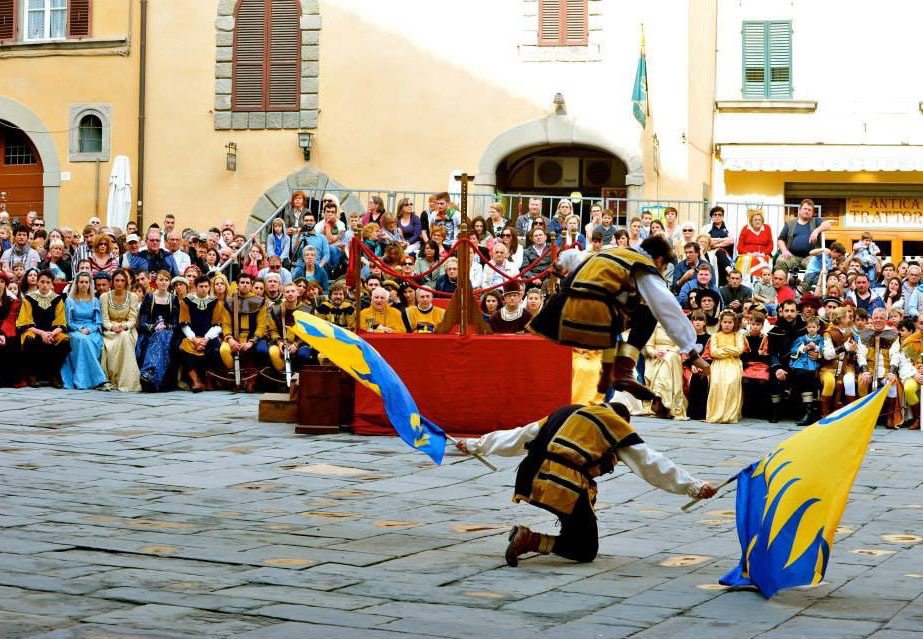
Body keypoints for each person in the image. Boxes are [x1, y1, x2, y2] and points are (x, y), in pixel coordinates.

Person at [456, 401, 715, 566]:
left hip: (529, 477)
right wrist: (693, 486)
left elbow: (518, 436)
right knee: (585, 549)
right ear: (622, 420)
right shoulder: (615, 425)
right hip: (562, 484)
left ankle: (535, 539)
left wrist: (474, 444)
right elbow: (649, 462)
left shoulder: (567, 411)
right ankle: (528, 539)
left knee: (576, 534)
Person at [530, 235, 710, 401]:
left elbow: (572, 256)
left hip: (558, 316)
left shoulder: (609, 252)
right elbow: (668, 309)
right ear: (659, 260)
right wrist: (693, 354)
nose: (661, 271)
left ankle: (613, 371)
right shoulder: (644, 268)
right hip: (594, 319)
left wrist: (560, 262)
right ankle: (624, 368)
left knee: (622, 299)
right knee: (648, 310)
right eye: (663, 268)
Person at [16, 270, 70, 388]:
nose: (45, 285)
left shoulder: (57, 299)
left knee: (65, 341)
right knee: (29, 339)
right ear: (38, 283)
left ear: (52, 284)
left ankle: (54, 374)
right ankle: (32, 375)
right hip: (34, 330)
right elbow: (25, 322)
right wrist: (41, 333)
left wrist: (52, 333)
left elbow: (61, 322)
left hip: (52, 331)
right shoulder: (29, 298)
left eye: (48, 282)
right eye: (42, 282)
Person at [217, 272, 266, 391]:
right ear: (237, 285)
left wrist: (251, 342)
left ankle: (252, 378)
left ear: (251, 285)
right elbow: (226, 324)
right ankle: (235, 376)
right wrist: (230, 339)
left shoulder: (260, 301)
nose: (245, 285)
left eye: (247, 283)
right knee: (224, 350)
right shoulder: (229, 302)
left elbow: (261, 326)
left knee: (261, 350)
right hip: (233, 338)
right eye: (242, 282)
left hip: (252, 338)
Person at [178, 274, 228, 392]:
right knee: (184, 350)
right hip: (192, 337)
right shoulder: (186, 301)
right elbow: (184, 324)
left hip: (209, 337)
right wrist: (194, 339)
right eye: (201, 286)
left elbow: (218, 324)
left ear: (209, 287)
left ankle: (209, 379)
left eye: (206, 286)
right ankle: (195, 380)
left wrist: (206, 339)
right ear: (195, 287)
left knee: (215, 349)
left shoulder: (216, 302)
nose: (204, 289)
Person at [136, 270, 180, 392]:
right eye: (161, 279)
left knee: (163, 335)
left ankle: (150, 374)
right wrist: (154, 327)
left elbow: (176, 324)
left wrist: (166, 326)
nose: (164, 282)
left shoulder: (173, 299)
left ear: (169, 282)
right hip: (150, 333)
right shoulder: (150, 297)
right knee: (159, 336)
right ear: (156, 281)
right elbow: (142, 323)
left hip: (169, 333)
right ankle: (152, 376)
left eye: (166, 280)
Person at [61, 272, 106, 390]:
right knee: (82, 340)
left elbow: (98, 322)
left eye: (86, 282)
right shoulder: (70, 301)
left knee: (88, 340)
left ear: (90, 284)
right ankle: (97, 378)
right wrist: (80, 329)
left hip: (92, 331)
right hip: (75, 330)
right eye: (81, 282)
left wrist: (89, 329)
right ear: (77, 284)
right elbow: (68, 322)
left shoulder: (95, 301)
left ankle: (87, 379)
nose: (84, 284)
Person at [857, 307, 901, 428]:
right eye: (876, 317)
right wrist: (865, 371)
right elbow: (860, 354)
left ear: (886, 320)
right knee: (862, 382)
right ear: (872, 319)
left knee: (891, 383)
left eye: (881, 318)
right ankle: (864, 416)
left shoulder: (893, 336)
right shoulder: (864, 334)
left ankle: (890, 417)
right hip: (869, 369)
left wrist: (892, 372)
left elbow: (895, 355)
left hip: (886, 370)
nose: (878, 320)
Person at [100, 269, 142, 392]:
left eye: (122, 280)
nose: (119, 283)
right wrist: (112, 327)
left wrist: (124, 327)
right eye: (117, 280)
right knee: (110, 343)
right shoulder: (104, 297)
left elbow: (133, 319)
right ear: (112, 282)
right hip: (110, 329)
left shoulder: (133, 297)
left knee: (124, 337)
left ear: (126, 282)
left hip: (127, 328)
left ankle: (127, 380)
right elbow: (104, 319)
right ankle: (111, 378)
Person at [704, 310, 745, 423]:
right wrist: (730, 350)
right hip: (718, 363)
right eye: (725, 322)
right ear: (721, 322)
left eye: (730, 322)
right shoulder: (715, 336)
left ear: (734, 323)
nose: (727, 325)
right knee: (717, 383)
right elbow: (714, 352)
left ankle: (729, 413)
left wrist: (723, 349)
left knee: (731, 381)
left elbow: (739, 350)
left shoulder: (738, 336)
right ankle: (717, 412)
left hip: (733, 363)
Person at [265, 282, 316, 374]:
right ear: (283, 294)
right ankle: (283, 375)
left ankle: (295, 376)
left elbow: (309, 331)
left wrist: (296, 344)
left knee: (303, 355)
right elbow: (273, 330)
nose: (290, 294)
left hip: (301, 342)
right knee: (273, 352)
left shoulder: (307, 310)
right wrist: (279, 342)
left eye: (293, 291)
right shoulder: (276, 309)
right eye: (287, 292)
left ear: (297, 293)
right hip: (281, 342)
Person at [820, 306, 859, 416]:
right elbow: (827, 355)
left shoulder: (849, 332)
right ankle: (825, 413)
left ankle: (850, 412)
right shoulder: (828, 333)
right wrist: (844, 347)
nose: (849, 318)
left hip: (846, 366)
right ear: (840, 319)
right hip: (830, 367)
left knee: (849, 380)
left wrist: (853, 351)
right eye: (846, 317)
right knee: (830, 381)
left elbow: (852, 354)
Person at [642, 324, 688, 420]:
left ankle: (663, 399)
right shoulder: (655, 326)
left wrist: (667, 352)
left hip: (672, 355)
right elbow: (649, 345)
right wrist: (655, 353)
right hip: (655, 357)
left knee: (668, 358)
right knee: (663, 362)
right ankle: (659, 401)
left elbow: (680, 345)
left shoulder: (677, 326)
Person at [776, 199, 832, 275]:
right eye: (805, 209)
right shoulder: (790, 224)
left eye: (809, 210)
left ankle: (807, 283)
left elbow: (828, 225)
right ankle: (782, 282)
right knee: (781, 261)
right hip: (792, 257)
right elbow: (780, 240)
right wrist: (784, 250)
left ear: (812, 213)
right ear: (799, 210)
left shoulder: (816, 221)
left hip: (811, 257)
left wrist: (816, 231)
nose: (807, 211)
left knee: (816, 264)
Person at [788, 316, 824, 425]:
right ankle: (802, 409)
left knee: (810, 377)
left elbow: (824, 348)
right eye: (809, 327)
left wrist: (816, 348)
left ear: (818, 328)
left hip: (813, 362)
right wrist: (803, 348)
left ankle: (811, 411)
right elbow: (793, 349)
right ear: (806, 328)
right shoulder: (802, 338)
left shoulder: (820, 339)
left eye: (813, 327)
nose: (811, 329)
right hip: (803, 361)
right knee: (799, 375)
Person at [0, 272, 22, 386]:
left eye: (2, 282)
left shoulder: (12, 301)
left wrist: (2, 334)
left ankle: (8, 379)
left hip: (7, 329)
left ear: (5, 284)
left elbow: (10, 319)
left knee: (12, 341)